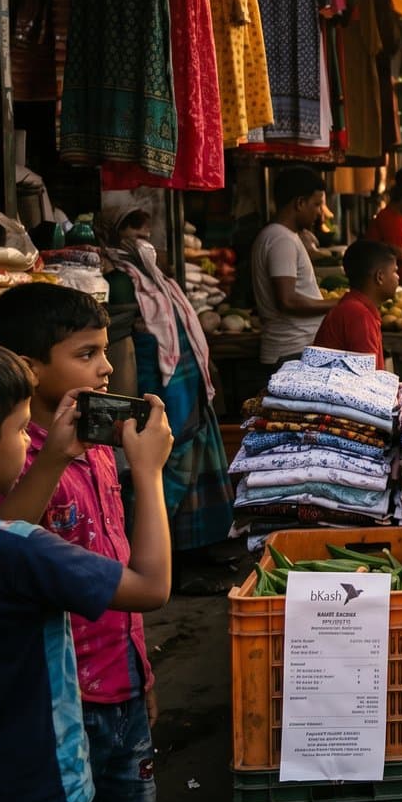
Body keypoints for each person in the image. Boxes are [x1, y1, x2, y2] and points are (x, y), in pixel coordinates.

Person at [0, 286, 177, 802]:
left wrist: (142, 675)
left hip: (124, 682)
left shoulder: (98, 447)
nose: (107, 368)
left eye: (105, 351)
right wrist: (149, 471)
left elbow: (118, 553)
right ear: (30, 368)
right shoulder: (15, 461)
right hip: (62, 698)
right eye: (86, 354)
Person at [100, 197, 234, 557]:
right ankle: (151, 553)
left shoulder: (155, 275)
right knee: (165, 459)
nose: (142, 234)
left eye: (143, 225)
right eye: (132, 226)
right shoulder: (118, 279)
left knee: (189, 457)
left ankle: (188, 550)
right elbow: (124, 343)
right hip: (156, 383)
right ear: (114, 233)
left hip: (184, 381)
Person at [253, 166, 337, 366]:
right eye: (316, 205)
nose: (319, 213)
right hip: (290, 353)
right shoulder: (281, 239)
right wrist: (339, 303)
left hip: (294, 351)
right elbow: (288, 300)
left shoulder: (283, 236)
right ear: (300, 203)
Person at [314, 239, 400, 367]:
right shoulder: (358, 315)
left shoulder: (356, 308)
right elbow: (366, 380)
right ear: (380, 277)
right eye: (394, 271)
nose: (398, 277)